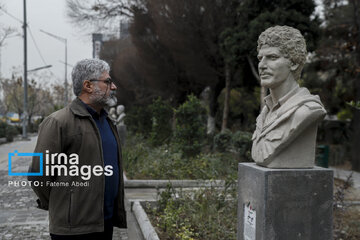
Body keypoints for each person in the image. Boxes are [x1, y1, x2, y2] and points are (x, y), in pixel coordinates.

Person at [28, 58, 126, 239]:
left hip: (105, 223)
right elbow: (38, 173)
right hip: (73, 229)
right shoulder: (59, 122)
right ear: (88, 85)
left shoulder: (107, 122)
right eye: (108, 82)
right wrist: (64, 203)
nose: (113, 87)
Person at [251, 26, 326, 168]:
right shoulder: (265, 114)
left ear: (294, 63)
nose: (262, 65)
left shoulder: (307, 110)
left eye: (272, 57)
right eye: (260, 58)